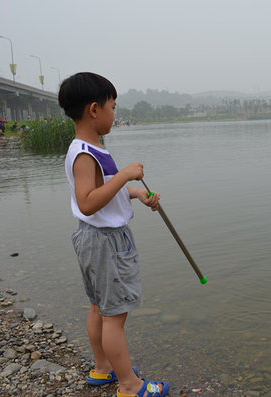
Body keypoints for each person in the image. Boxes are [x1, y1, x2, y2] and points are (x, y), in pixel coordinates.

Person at [59, 72, 169, 397]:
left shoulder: (92, 147)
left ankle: (103, 368)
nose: (114, 113)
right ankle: (130, 385)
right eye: (113, 106)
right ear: (94, 109)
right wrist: (124, 175)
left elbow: (102, 193)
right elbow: (88, 201)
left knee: (98, 308)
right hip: (104, 242)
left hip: (94, 239)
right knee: (114, 316)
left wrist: (133, 192)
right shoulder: (84, 153)